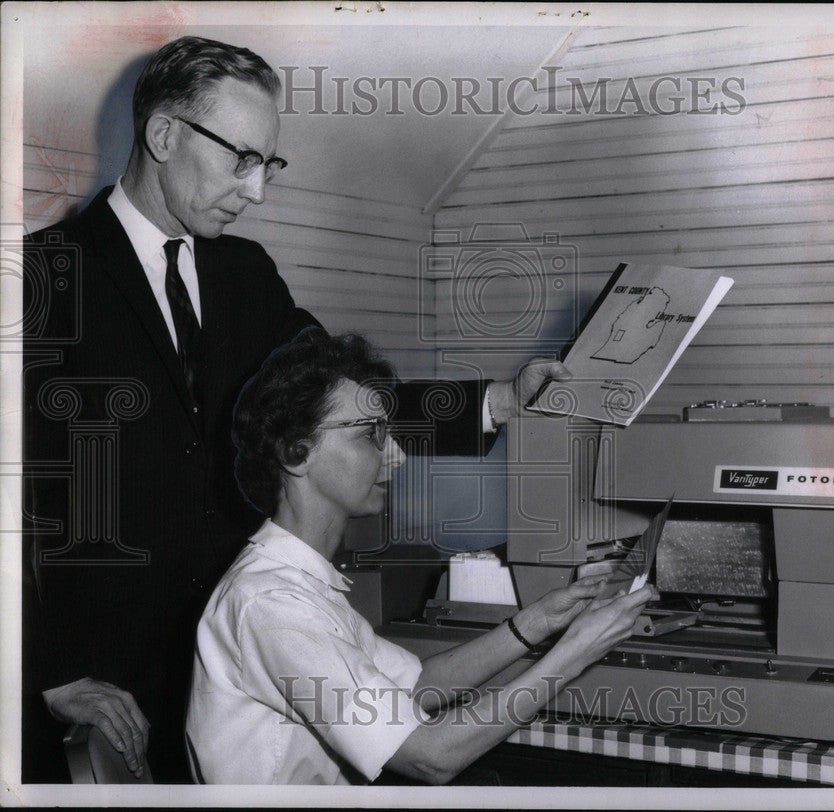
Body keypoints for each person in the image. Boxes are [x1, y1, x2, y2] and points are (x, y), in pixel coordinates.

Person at [21, 35, 568, 783]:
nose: (256, 191)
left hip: (244, 683)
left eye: (267, 165)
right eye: (241, 159)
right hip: (105, 695)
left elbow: (342, 398)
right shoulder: (42, 278)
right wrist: (44, 675)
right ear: (163, 134)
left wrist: (498, 400)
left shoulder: (247, 272)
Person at [185, 328, 654, 784]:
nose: (397, 457)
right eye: (371, 435)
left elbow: (414, 687)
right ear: (297, 452)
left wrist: (535, 624)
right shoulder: (270, 605)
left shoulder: (300, 584)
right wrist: (576, 653)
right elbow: (430, 757)